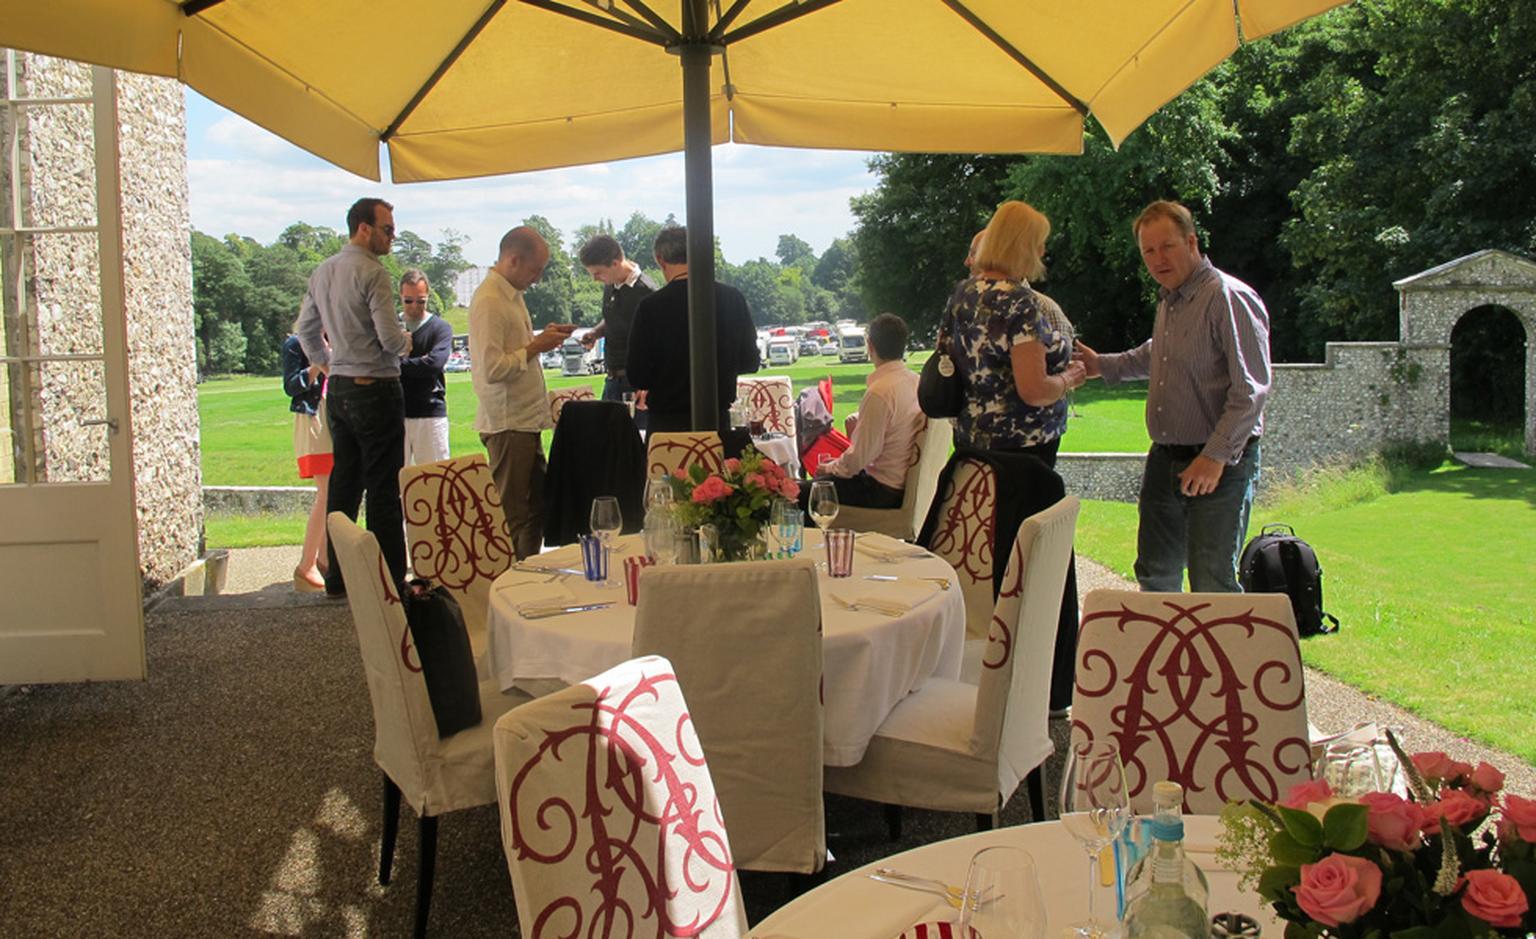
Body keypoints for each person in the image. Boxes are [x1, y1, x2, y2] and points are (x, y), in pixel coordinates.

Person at [1075, 199, 1272, 592]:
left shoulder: (1226, 297)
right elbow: (1156, 355)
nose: (1157, 259)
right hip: (1166, 459)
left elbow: (1250, 390)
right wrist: (1102, 366)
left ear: (1192, 241)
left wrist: (1213, 457)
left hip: (1219, 467)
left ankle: (1215, 656)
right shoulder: (1172, 299)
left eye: (1166, 246)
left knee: (1212, 581)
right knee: (1155, 573)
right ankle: (1163, 654)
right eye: (1148, 250)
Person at [295, 197, 411, 596]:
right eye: (387, 229)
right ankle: (389, 582)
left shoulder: (323, 271)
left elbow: (306, 330)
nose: (392, 237)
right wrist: (409, 341)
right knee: (383, 490)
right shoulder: (373, 272)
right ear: (364, 228)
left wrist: (327, 364)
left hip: (340, 390)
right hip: (374, 388)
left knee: (344, 488)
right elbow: (389, 338)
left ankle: (338, 578)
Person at [945, 200, 1086, 465]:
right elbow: (1034, 390)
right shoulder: (1021, 302)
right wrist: (1070, 377)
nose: (1043, 251)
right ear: (1024, 247)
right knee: (1026, 508)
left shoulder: (962, 294)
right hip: (1021, 448)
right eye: (1039, 242)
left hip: (971, 439)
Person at [468, 225, 576, 559]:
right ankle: (511, 582)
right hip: (507, 423)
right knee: (513, 514)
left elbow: (513, 351)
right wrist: (535, 347)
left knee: (536, 508)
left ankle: (527, 571)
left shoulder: (510, 297)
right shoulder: (490, 301)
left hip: (523, 421)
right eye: (535, 270)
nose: (537, 278)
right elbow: (492, 369)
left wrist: (541, 339)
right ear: (513, 260)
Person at [626, 226, 761, 435]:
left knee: (667, 470)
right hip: (717, 421)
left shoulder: (650, 308)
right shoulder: (732, 298)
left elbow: (637, 375)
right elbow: (750, 361)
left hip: (666, 427)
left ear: (660, 259)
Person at [800, 313, 921, 511]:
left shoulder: (880, 392)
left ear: (870, 345)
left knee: (797, 494)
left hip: (880, 490)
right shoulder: (915, 381)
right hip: (899, 484)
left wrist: (828, 468)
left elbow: (859, 459)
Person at [577, 234, 657, 429]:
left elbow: (657, 341)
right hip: (612, 379)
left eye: (597, 273)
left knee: (636, 443)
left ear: (615, 263)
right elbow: (613, 319)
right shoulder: (611, 285)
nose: (595, 279)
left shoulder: (646, 292)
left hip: (635, 383)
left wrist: (647, 384)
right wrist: (595, 333)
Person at [282, 333, 331, 592]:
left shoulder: (336, 337)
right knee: (326, 492)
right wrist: (316, 364)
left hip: (335, 417)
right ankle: (307, 564)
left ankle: (323, 560)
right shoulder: (296, 344)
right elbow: (291, 386)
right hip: (313, 418)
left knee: (333, 492)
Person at [399, 269, 453, 466]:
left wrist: (398, 363)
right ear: (400, 297)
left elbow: (434, 364)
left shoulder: (440, 328)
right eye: (409, 300)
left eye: (421, 301)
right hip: (396, 412)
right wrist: (418, 361)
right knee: (394, 482)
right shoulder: (390, 327)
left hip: (430, 412)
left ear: (428, 296)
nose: (414, 306)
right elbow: (376, 363)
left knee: (436, 479)